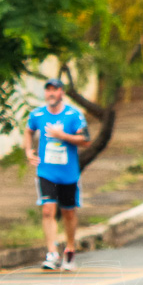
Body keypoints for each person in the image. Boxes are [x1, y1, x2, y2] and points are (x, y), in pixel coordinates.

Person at [23, 78, 91, 271]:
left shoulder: (73, 115)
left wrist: (62, 136)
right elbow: (28, 132)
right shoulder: (37, 114)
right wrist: (29, 151)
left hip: (68, 174)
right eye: (48, 90)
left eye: (55, 90)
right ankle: (52, 253)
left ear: (61, 93)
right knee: (47, 210)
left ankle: (69, 249)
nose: (51, 94)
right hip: (46, 172)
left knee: (68, 212)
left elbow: (85, 139)